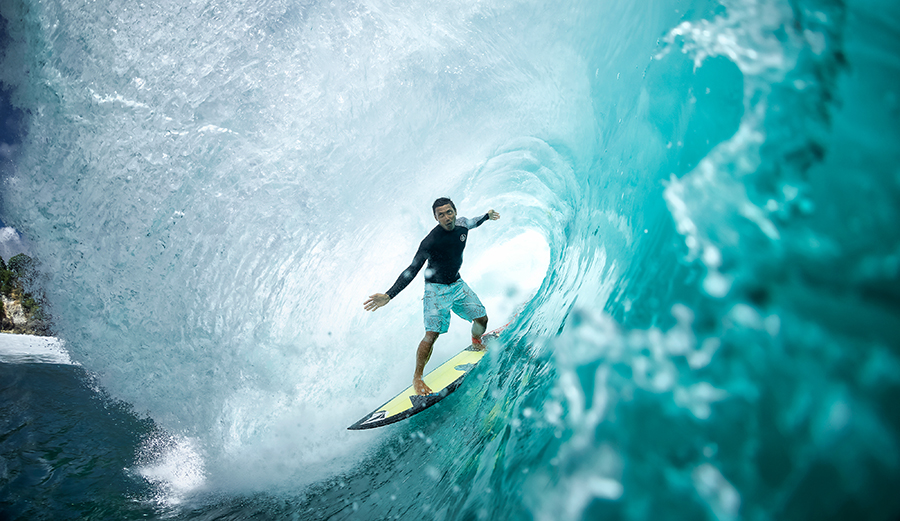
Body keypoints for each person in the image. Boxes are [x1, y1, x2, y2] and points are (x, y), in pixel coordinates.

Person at [364, 197, 501, 395]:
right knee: (432, 334)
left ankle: (476, 341)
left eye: (449, 212)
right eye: (441, 215)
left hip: (457, 284)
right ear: (436, 218)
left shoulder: (462, 224)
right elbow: (411, 269)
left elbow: (474, 221)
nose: (446, 217)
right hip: (435, 291)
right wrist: (389, 295)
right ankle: (417, 378)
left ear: (455, 211)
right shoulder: (430, 242)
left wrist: (487, 216)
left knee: (482, 318)